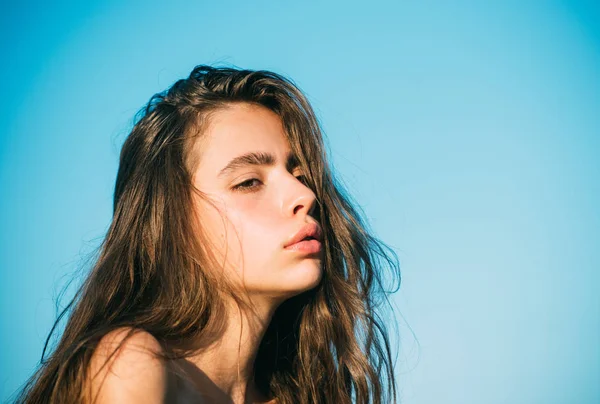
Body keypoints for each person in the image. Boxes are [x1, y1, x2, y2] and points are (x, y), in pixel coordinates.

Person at [16, 65, 401, 404]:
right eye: (249, 182)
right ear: (170, 223)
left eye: (299, 175)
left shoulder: (313, 393)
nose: (306, 195)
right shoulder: (133, 366)